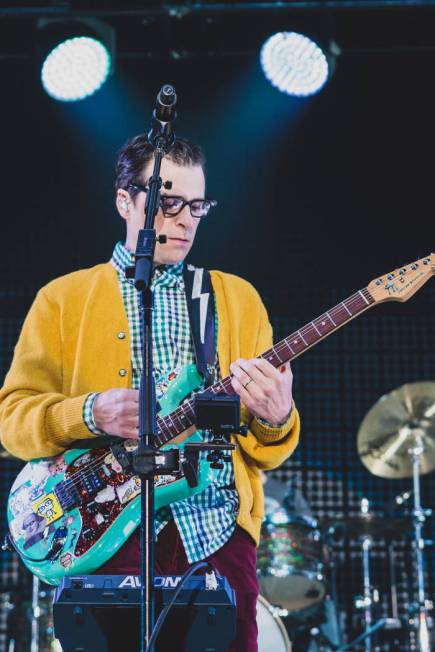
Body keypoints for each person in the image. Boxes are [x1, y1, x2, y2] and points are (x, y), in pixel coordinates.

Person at [0, 135, 300, 651]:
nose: (187, 220)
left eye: (198, 205)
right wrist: (90, 412)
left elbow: (268, 448)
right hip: (102, 534)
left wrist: (277, 416)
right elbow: (12, 420)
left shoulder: (236, 299)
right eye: (168, 203)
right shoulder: (62, 299)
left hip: (213, 530)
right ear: (124, 200)